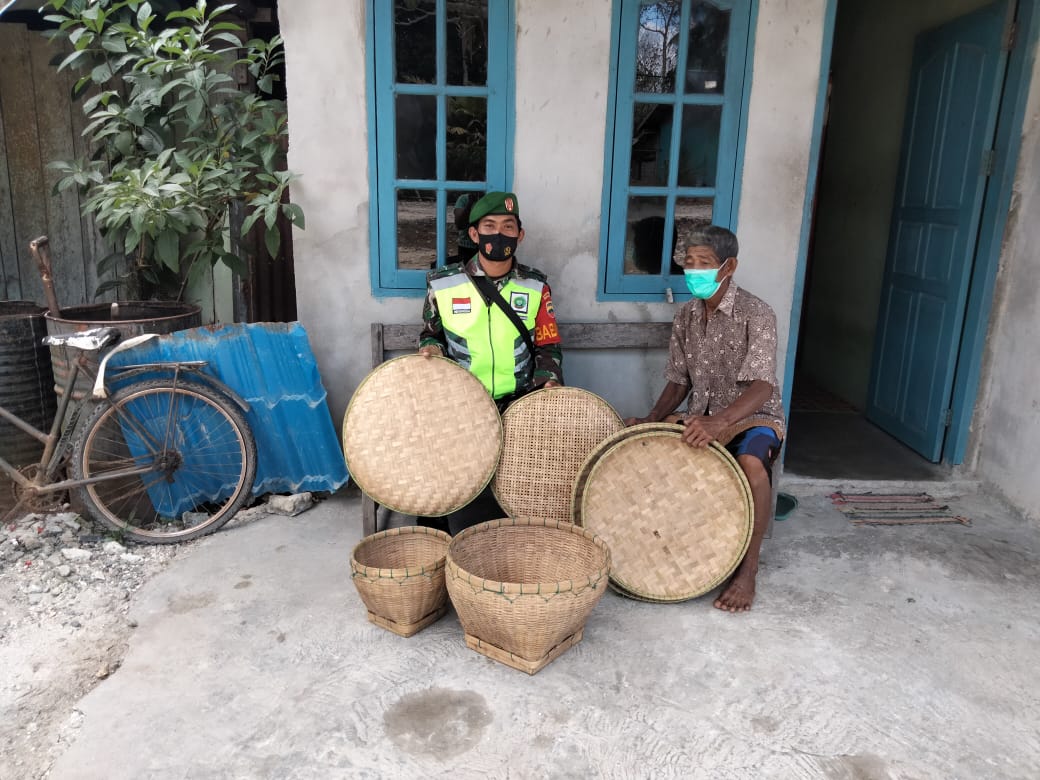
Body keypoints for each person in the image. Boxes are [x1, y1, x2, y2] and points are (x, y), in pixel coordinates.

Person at [625, 223, 785, 613]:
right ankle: (681, 547)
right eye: (689, 262)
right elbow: (678, 382)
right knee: (651, 454)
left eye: (704, 263)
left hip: (754, 417)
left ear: (728, 267)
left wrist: (722, 423)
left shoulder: (757, 314)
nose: (694, 270)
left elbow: (762, 386)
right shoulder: (687, 317)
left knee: (751, 464)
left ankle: (748, 570)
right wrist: (651, 418)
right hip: (701, 418)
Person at [417, 191, 563, 534]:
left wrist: (549, 381)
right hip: (462, 409)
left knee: (517, 494)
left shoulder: (535, 286)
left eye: (508, 226)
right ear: (474, 234)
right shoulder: (443, 283)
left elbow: (549, 345)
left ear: (519, 235)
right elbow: (430, 335)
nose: (499, 234)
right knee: (461, 493)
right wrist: (431, 351)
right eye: (490, 226)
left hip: (518, 407)